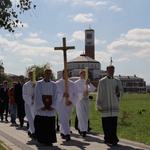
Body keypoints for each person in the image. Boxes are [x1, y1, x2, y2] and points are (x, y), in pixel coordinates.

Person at [96, 65, 123, 145]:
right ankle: (107, 138)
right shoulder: (102, 81)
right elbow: (99, 93)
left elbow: (121, 91)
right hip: (105, 104)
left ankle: (114, 138)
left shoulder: (117, 81)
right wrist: (99, 106)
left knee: (113, 123)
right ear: (107, 71)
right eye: (110, 70)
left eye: (113, 70)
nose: (111, 71)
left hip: (114, 104)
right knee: (106, 123)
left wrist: (119, 93)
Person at [34, 68, 57, 146]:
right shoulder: (39, 84)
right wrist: (41, 105)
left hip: (50, 109)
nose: (48, 75)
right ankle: (42, 139)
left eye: (50, 73)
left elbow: (56, 96)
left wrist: (53, 106)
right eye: (47, 73)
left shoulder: (54, 84)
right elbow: (37, 95)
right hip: (42, 109)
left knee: (50, 125)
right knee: (42, 125)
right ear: (44, 74)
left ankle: (50, 140)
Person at [55, 70, 78, 141]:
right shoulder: (57, 83)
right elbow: (55, 94)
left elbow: (76, 95)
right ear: (62, 74)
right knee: (64, 118)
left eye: (67, 74)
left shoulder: (72, 84)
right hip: (61, 103)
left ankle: (62, 132)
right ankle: (67, 134)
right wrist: (62, 95)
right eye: (65, 73)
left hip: (70, 104)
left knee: (67, 118)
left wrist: (71, 101)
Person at [75, 69, 96, 137]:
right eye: (82, 74)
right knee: (81, 115)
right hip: (80, 100)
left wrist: (89, 83)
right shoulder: (76, 83)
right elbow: (75, 93)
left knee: (87, 115)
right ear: (80, 74)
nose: (84, 75)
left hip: (86, 100)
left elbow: (93, 89)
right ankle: (83, 131)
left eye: (85, 74)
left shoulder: (87, 81)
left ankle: (82, 128)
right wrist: (82, 94)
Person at [23, 71, 36, 139]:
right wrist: (30, 99)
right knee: (30, 118)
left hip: (36, 104)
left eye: (32, 74)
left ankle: (33, 131)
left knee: (35, 118)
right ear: (29, 76)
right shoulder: (26, 85)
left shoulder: (38, 83)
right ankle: (32, 131)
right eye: (30, 75)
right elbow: (24, 95)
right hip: (28, 103)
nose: (31, 76)